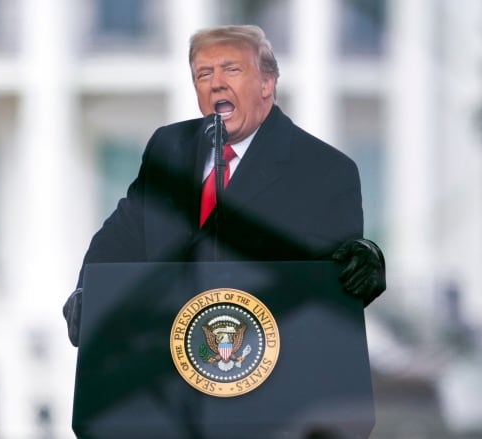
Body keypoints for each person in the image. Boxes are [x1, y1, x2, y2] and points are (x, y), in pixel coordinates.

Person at [63, 25, 385, 347]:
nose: (216, 83)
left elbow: (338, 275)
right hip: (165, 367)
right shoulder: (169, 147)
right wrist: (87, 294)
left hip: (268, 369)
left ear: (266, 83)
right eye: (204, 74)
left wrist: (364, 260)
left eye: (232, 69)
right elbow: (122, 236)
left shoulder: (324, 169)